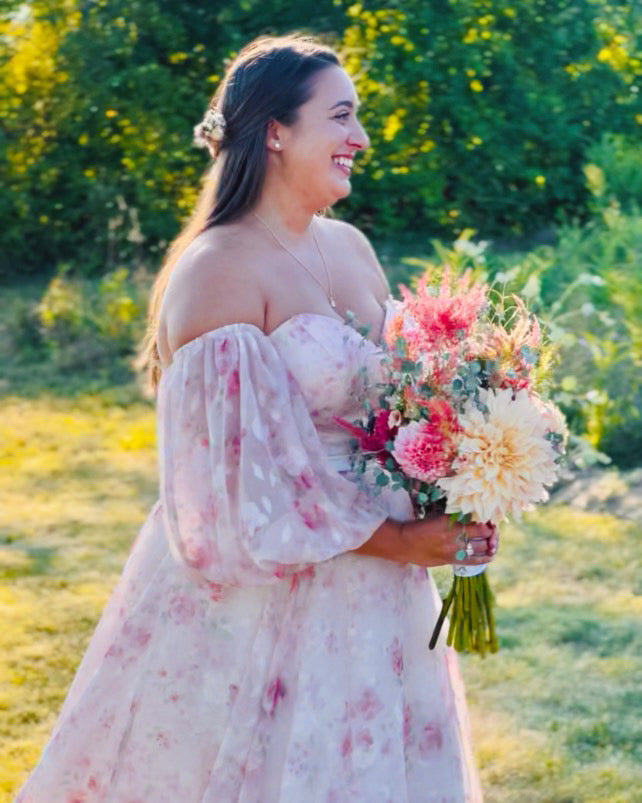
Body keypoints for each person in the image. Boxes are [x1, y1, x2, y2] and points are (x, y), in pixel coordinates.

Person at [16, 33, 499, 802]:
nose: (361, 139)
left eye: (359, 118)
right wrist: (401, 540)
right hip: (269, 599)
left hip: (384, 594)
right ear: (275, 131)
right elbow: (230, 491)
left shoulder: (351, 248)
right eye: (341, 117)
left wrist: (462, 484)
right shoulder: (219, 272)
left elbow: (400, 408)